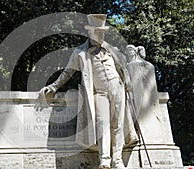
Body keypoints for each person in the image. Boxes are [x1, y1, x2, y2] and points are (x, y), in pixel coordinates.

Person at [39, 14, 131, 169]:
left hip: (117, 88)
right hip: (99, 92)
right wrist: (54, 86)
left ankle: (117, 160)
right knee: (103, 123)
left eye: (102, 32)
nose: (101, 34)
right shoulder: (80, 52)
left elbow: (123, 67)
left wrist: (128, 83)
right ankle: (105, 159)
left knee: (118, 125)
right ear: (90, 32)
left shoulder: (112, 49)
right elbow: (67, 72)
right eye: (98, 31)